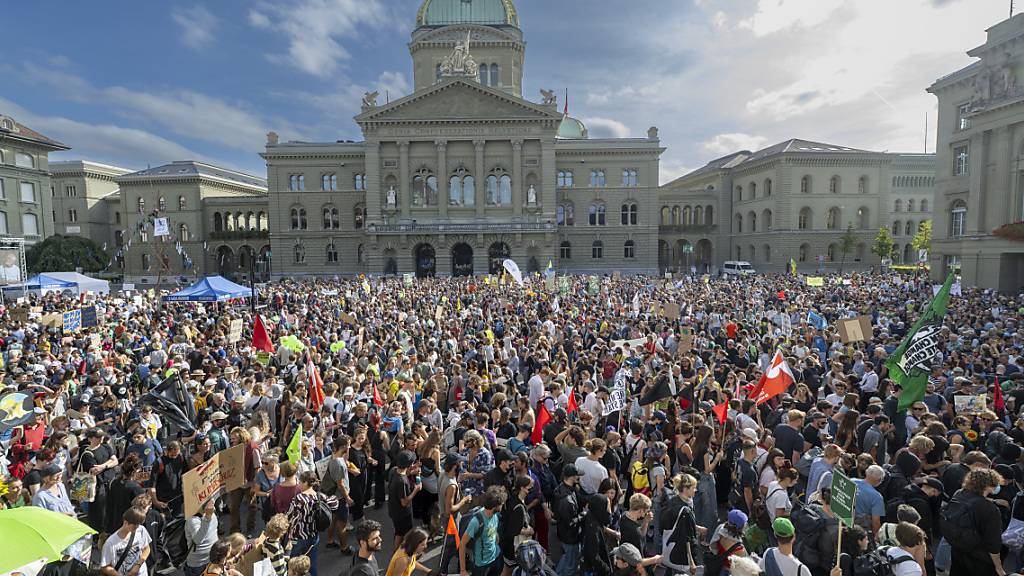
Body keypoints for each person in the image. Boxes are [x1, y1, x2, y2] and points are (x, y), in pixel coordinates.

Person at [945, 468, 1005, 576]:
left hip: (958, 551)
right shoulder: (990, 509)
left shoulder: (959, 494)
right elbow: (993, 544)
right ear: (987, 486)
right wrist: (999, 567)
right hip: (979, 560)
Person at [286, 470, 338, 576]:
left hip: (299, 537)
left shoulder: (299, 499)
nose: (298, 484)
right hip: (313, 535)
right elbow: (334, 504)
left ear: (305, 483)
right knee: (311, 563)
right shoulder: (320, 497)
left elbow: (290, 518)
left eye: (300, 482)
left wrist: (289, 536)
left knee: (293, 564)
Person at [460, 486, 506, 576]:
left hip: (495, 557)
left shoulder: (495, 515)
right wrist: (463, 570)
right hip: (481, 565)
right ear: (494, 506)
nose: (502, 505)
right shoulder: (476, 521)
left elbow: (493, 529)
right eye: (501, 504)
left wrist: (496, 537)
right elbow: (462, 544)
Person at [552, 464, 585, 576]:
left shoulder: (563, 488)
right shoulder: (566, 501)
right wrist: (584, 514)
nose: (578, 477)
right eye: (577, 475)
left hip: (564, 534)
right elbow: (570, 523)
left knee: (567, 558)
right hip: (570, 537)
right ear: (571, 477)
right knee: (571, 565)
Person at [101, 508, 152, 576]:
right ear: (125, 522)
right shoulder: (110, 543)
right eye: (134, 526)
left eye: (138, 524)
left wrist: (138, 565)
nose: (137, 527)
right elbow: (105, 567)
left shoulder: (141, 530)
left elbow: (146, 549)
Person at [389, 450, 422, 550]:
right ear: (409, 464)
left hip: (393, 509)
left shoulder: (394, 470)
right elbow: (404, 502)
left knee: (399, 532)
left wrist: (412, 470)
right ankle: (399, 554)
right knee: (402, 534)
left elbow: (404, 473)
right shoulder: (402, 482)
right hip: (402, 513)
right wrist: (416, 490)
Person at [184, 500, 219, 576]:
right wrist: (208, 517)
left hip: (212, 559)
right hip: (198, 565)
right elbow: (198, 540)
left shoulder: (212, 514)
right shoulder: (192, 520)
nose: (212, 502)